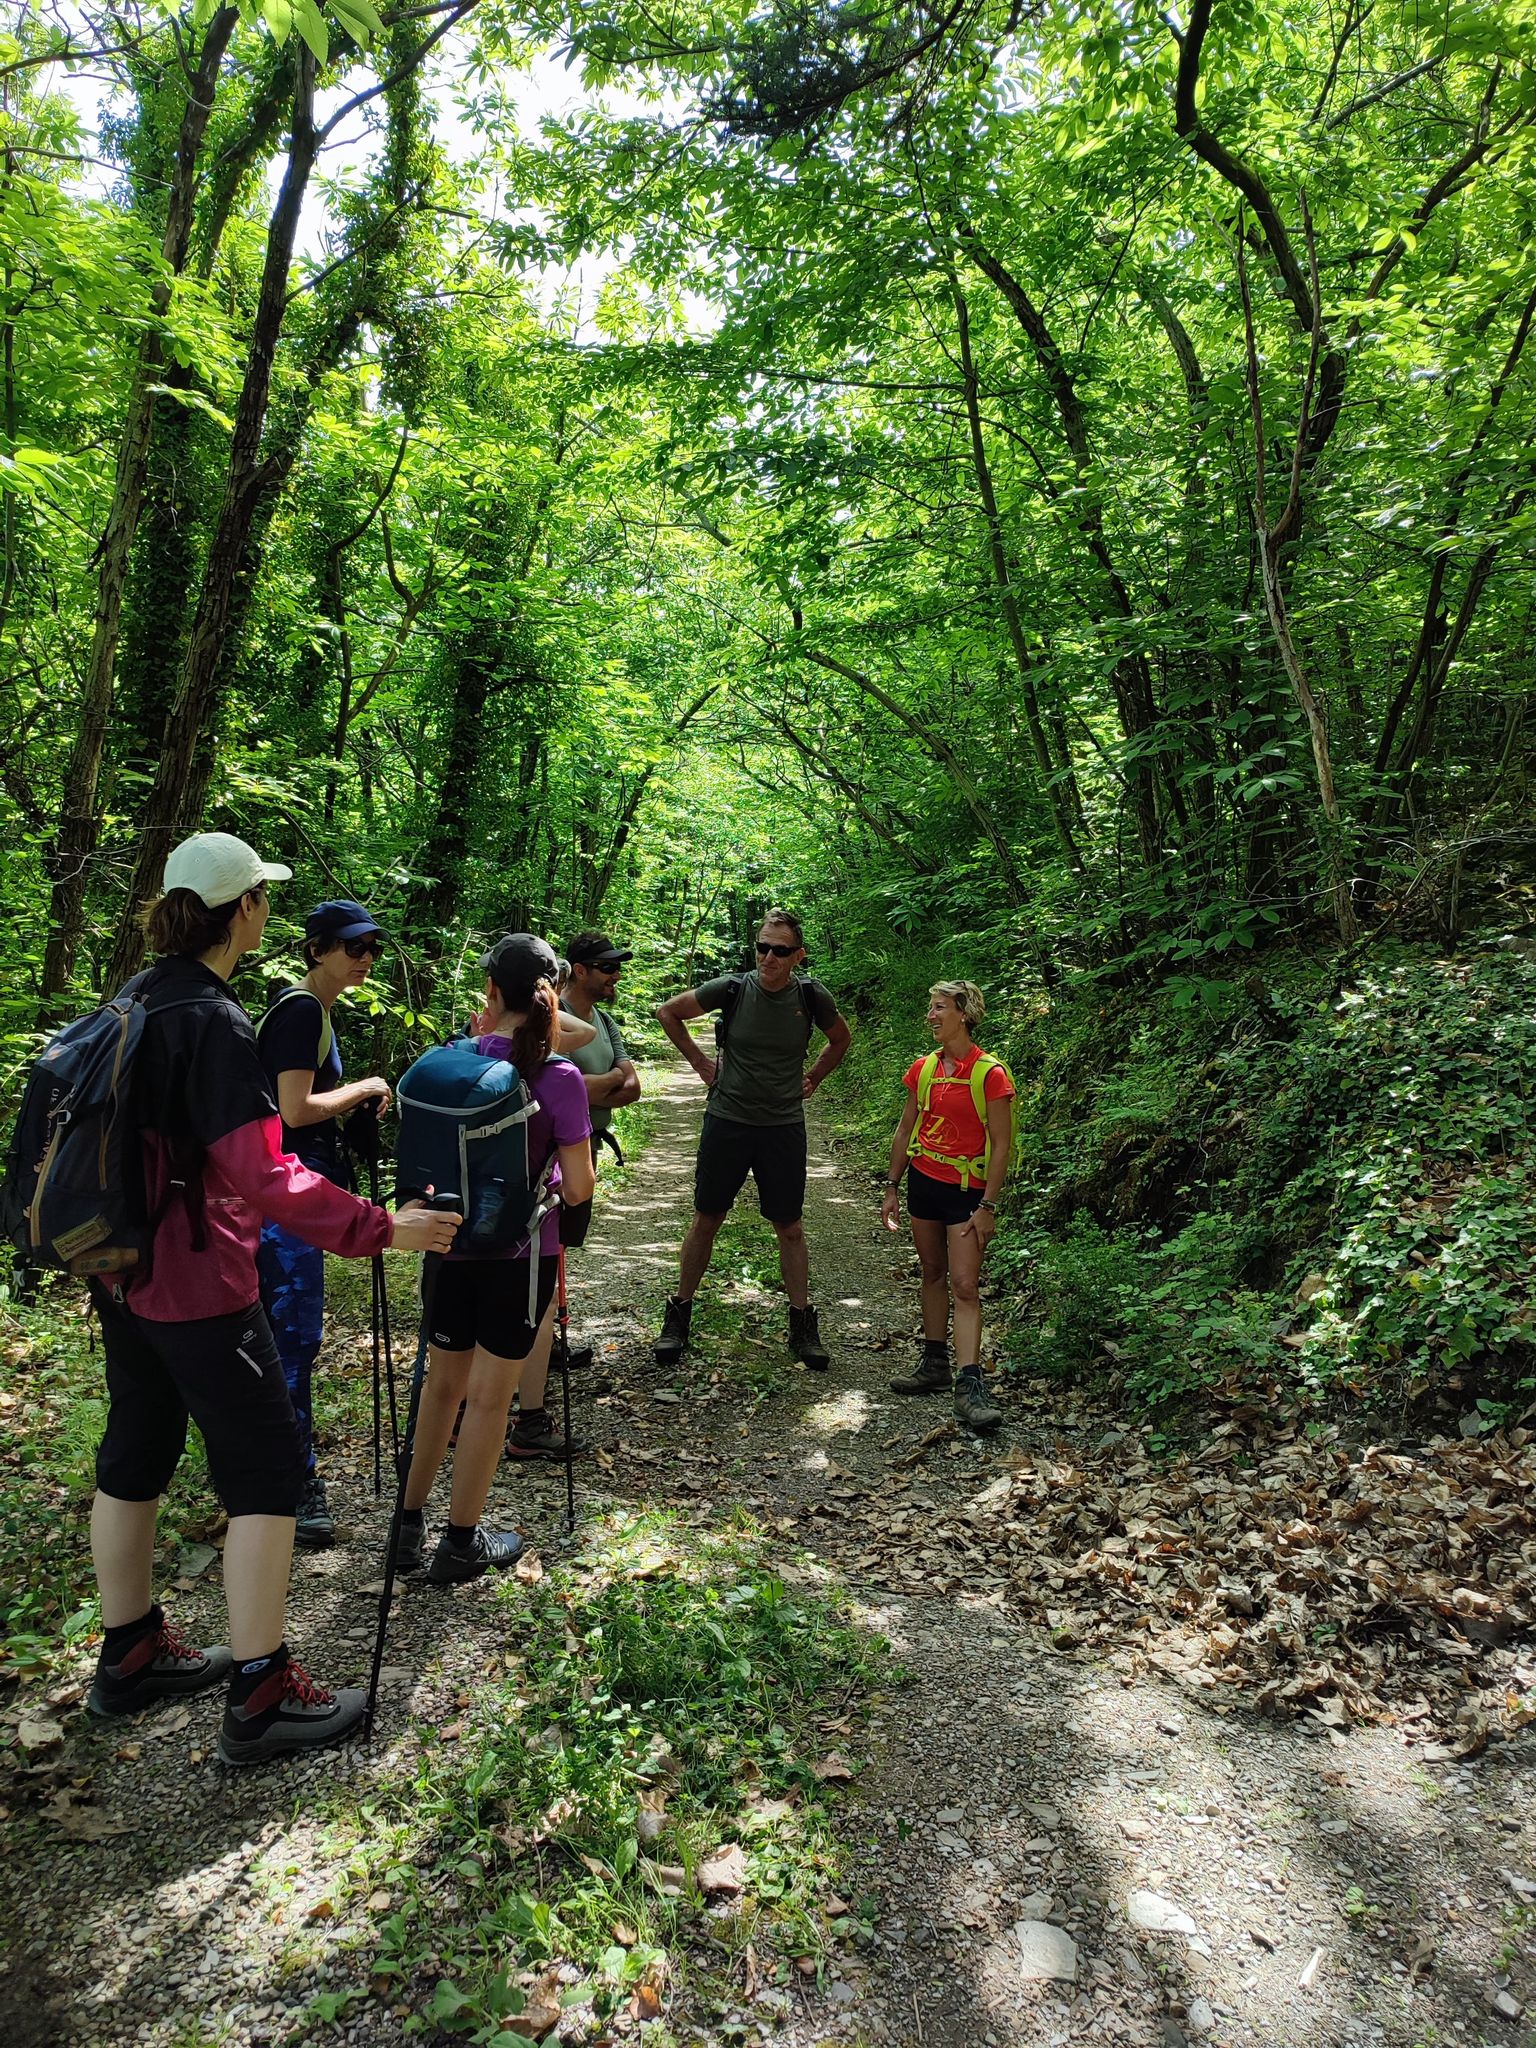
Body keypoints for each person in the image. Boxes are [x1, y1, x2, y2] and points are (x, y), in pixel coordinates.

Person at [84, 832, 459, 1765]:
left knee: (133, 1454)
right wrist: (381, 1225)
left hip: (123, 1275)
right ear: (244, 910)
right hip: (201, 1283)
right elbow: (264, 1171)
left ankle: (127, 1654)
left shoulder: (133, 997)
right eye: (262, 897)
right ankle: (260, 1693)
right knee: (263, 1472)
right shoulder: (212, 1020)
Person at [396, 933, 595, 1581]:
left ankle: (406, 1526)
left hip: (447, 1246)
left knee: (440, 1386)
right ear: (552, 995)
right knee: (487, 1399)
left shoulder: (452, 1059)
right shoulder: (560, 1078)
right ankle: (459, 1543)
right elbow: (582, 1183)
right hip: (522, 1254)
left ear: (489, 993)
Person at [653, 908, 851, 1371]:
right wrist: (702, 1065)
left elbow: (840, 1039)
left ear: (797, 955)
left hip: (782, 1125)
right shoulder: (732, 989)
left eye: (780, 950)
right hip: (728, 1120)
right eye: (762, 947)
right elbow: (668, 1013)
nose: (768, 957)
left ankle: (803, 1325)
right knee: (707, 1218)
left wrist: (816, 1076)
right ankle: (678, 1317)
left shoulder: (810, 996)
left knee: (790, 1227)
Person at [256, 900, 393, 1548]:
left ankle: (280, 1475)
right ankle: (293, 1485)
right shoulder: (304, 1009)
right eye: (353, 946)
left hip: (291, 1196)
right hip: (282, 1204)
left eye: (371, 947)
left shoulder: (316, 1011)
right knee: (292, 1345)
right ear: (317, 949)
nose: (365, 957)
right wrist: (363, 1088)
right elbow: (294, 1108)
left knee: (291, 1346)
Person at [880, 980, 1013, 1432]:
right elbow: (904, 1129)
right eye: (930, 1007)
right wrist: (892, 1185)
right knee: (932, 1274)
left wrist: (989, 1204)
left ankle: (970, 1384)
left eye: (939, 1008)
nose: (931, 1016)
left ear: (964, 1013)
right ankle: (934, 1363)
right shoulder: (923, 1069)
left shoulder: (990, 1074)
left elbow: (1001, 1145)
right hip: (924, 1184)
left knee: (965, 1285)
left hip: (966, 1193)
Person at [557, 930, 642, 1371]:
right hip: (552, 1149)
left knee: (562, 1243)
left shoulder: (606, 1023)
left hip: (586, 1144)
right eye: (608, 968)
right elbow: (552, 1087)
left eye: (617, 967)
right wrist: (601, 1083)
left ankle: (547, 1333)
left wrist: (591, 1087)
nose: (617, 975)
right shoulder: (553, 1016)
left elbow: (633, 1087)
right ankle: (541, 1335)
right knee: (545, 1240)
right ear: (579, 970)